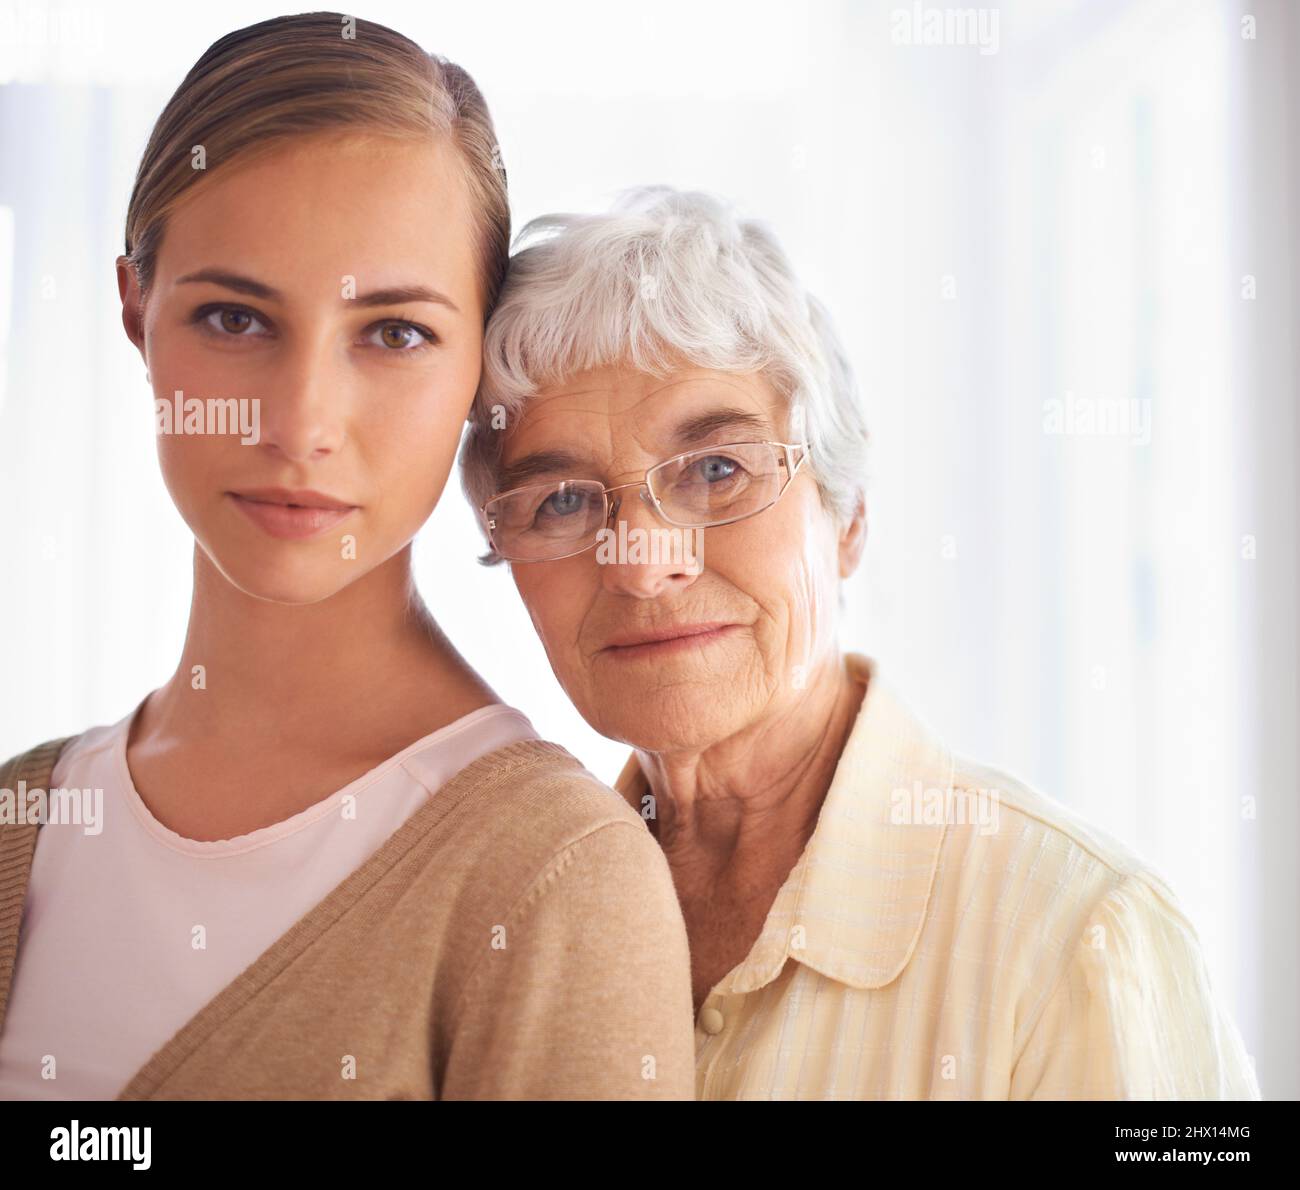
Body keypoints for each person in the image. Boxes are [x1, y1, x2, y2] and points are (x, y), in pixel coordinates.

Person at [0, 15, 693, 1102]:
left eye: (395, 332)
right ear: (136, 313)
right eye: (234, 316)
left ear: (481, 363)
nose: (302, 422)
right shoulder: (22, 815)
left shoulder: (554, 877)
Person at [458, 184, 1262, 1100]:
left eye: (718, 469)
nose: (641, 566)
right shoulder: (514, 930)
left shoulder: (1081, 933)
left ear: (848, 517)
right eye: (561, 500)